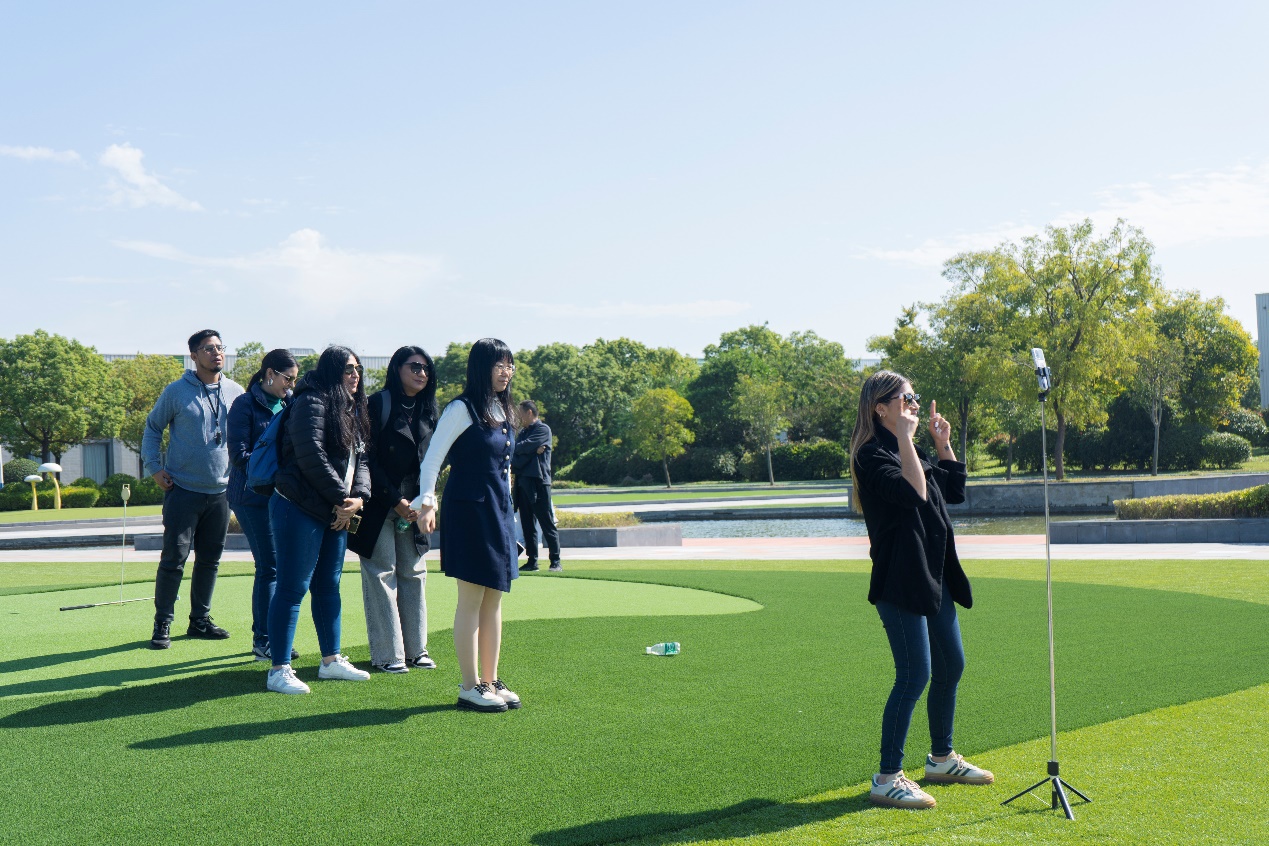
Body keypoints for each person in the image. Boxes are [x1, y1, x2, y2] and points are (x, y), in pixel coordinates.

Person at [849, 370, 995, 810]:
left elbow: (952, 490)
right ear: (881, 407)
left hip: (935, 578)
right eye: (907, 397)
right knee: (915, 675)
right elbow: (913, 493)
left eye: (915, 396)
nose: (914, 403)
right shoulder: (872, 456)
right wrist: (910, 442)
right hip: (900, 581)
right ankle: (887, 777)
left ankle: (942, 759)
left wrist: (942, 443)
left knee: (952, 665)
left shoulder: (908, 449)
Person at [413, 338, 521, 713]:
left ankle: (490, 681)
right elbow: (432, 460)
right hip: (470, 511)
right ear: (481, 368)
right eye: (499, 365)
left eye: (510, 365)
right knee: (472, 599)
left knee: (494, 599)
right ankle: (469, 685)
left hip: (498, 512)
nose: (506, 372)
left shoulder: (503, 408)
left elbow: (504, 471)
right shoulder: (462, 408)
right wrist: (428, 502)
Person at [265, 346, 373, 694]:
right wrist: (343, 500)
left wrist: (359, 499)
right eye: (347, 370)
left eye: (357, 369)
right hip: (299, 506)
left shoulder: (352, 407)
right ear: (331, 372)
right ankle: (279, 669)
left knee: (329, 585)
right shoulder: (312, 400)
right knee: (292, 587)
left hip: (333, 509)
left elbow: (362, 460)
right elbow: (310, 454)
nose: (354, 376)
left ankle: (331, 661)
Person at [142, 330, 245, 649]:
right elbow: (152, 428)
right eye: (209, 349)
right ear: (194, 356)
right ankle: (162, 623)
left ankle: (199, 620)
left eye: (220, 347)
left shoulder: (235, 391)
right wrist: (154, 468)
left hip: (221, 493)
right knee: (174, 558)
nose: (217, 353)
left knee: (210, 560)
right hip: (183, 490)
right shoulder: (176, 391)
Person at [347, 345, 439, 674]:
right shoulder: (378, 404)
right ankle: (389, 655)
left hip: (414, 502)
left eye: (426, 368)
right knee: (381, 573)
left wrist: (426, 499)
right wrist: (394, 500)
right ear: (397, 368)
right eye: (414, 367)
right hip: (378, 499)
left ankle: (417, 651)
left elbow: (435, 460)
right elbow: (366, 458)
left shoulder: (430, 409)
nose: (422, 373)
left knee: (414, 573)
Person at [226, 348, 300, 663]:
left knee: (280, 568)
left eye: (294, 381)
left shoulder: (288, 404)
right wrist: (278, 471)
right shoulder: (244, 405)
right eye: (288, 379)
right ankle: (264, 641)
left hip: (280, 497)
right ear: (270, 373)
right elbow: (239, 457)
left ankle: (274, 637)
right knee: (269, 566)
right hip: (250, 497)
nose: (291, 386)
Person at [511, 400, 561, 572]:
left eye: (521, 413)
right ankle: (532, 561)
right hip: (523, 484)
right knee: (527, 525)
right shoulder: (523, 432)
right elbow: (514, 455)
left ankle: (555, 561)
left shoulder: (543, 429)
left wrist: (523, 450)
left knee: (546, 523)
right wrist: (530, 450)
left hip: (539, 483)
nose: (519, 417)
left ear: (529, 413)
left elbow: (518, 450)